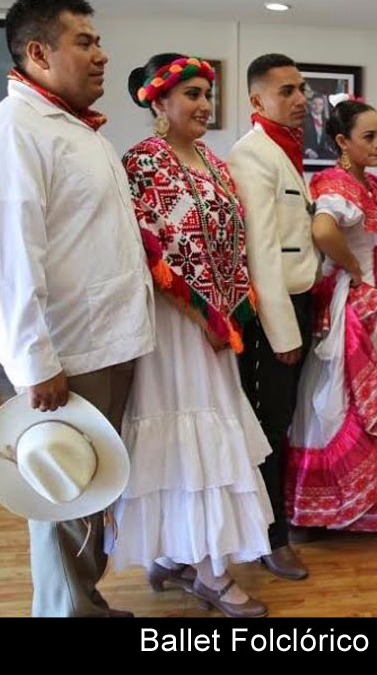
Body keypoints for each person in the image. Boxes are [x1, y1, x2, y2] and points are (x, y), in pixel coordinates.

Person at [0, 0, 155, 618]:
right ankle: (65, 613)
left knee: (92, 492)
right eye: (85, 42)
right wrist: (35, 361)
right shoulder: (10, 134)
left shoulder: (73, 128)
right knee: (66, 495)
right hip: (69, 350)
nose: (102, 55)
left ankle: (81, 604)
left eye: (97, 40)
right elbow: (11, 261)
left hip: (111, 339)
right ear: (38, 52)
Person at [109, 53, 272, 618]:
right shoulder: (143, 164)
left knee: (210, 433)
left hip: (215, 323)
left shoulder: (214, 163)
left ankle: (182, 556)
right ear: (158, 102)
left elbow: (233, 244)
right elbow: (151, 246)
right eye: (192, 95)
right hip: (173, 323)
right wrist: (201, 309)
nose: (204, 105)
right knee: (186, 432)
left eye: (207, 94)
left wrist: (229, 311)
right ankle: (209, 572)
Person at [285, 99, 377, 531]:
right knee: (339, 399)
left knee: (370, 398)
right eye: (369, 137)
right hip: (354, 305)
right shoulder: (337, 184)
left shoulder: (371, 184)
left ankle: (370, 503)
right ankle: (334, 506)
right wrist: (357, 271)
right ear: (342, 141)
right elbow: (323, 231)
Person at [229, 53, 316, 580]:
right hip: (271, 315)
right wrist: (282, 332)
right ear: (257, 100)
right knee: (269, 427)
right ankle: (270, 536)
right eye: (286, 90)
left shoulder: (288, 151)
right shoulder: (250, 156)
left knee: (283, 424)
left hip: (300, 303)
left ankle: (273, 525)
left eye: (301, 88)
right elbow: (261, 254)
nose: (300, 98)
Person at [304, 92, 338, 160]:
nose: (317, 107)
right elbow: (298, 140)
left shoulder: (326, 121)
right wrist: (308, 151)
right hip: (306, 153)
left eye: (320, 104)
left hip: (321, 153)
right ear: (310, 104)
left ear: (323, 106)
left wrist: (336, 150)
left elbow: (329, 140)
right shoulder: (304, 120)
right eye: (315, 104)